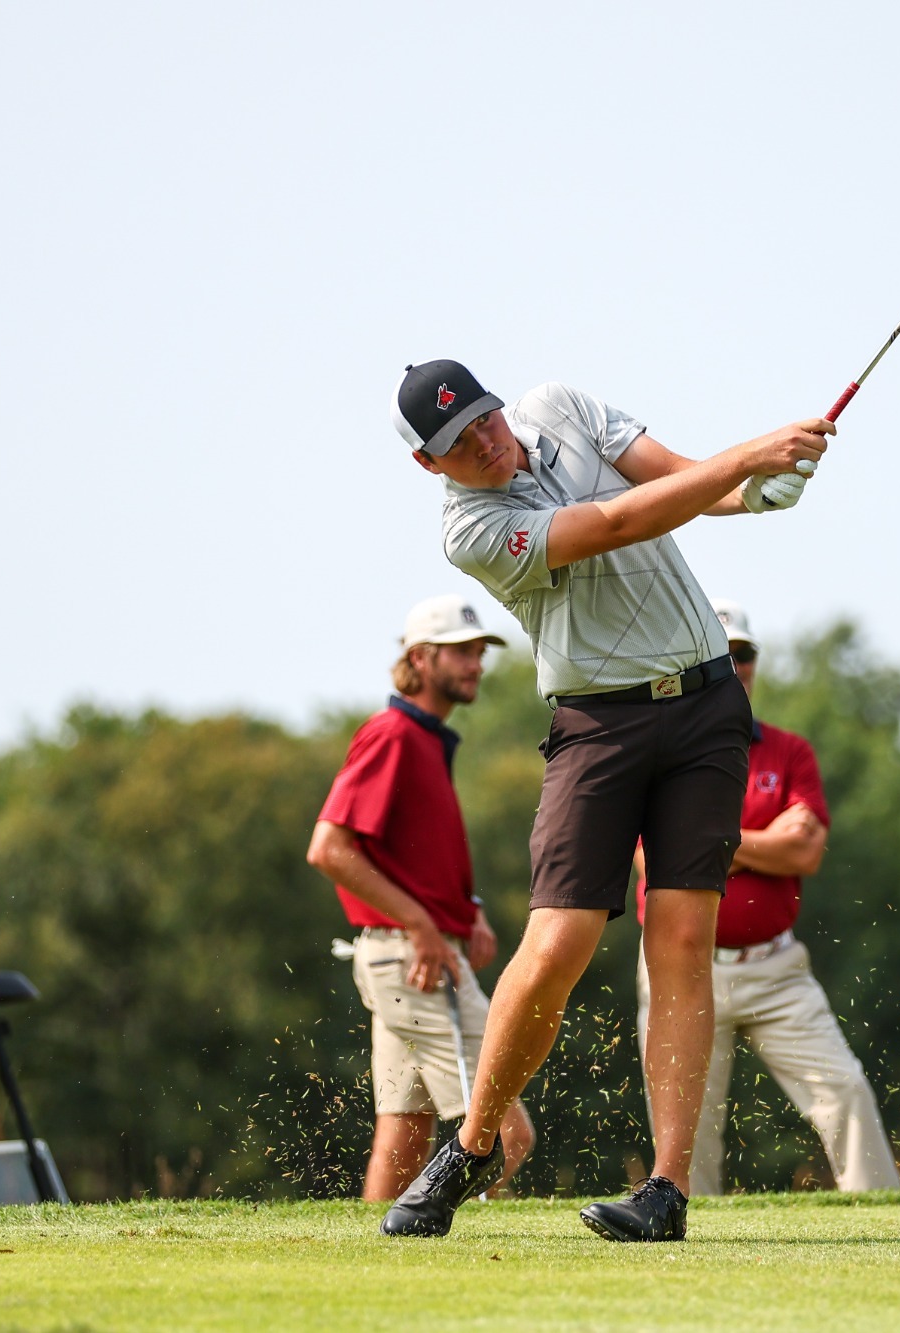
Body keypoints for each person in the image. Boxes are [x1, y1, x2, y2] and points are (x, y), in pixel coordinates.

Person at [378, 359, 830, 1242]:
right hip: (597, 724)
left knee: (684, 937)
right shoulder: (472, 529)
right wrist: (748, 457)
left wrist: (754, 492)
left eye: (483, 417)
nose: (483, 440)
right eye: (457, 442)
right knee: (558, 941)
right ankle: (471, 1145)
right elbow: (620, 521)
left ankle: (666, 1189)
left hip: (705, 708)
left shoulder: (560, 407)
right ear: (428, 464)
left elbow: (677, 480)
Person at [636, 600, 900, 1194]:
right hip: (682, 967)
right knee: (687, 1134)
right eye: (721, 654)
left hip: (776, 968)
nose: (736, 666)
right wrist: (763, 840)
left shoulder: (790, 751)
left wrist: (714, 842)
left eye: (745, 653)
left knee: (846, 1093)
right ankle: (678, 1227)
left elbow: (805, 852)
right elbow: (653, 859)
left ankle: (884, 1217)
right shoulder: (657, 747)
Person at [306, 594, 535, 1200]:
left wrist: (467, 910)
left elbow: (414, 854)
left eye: (479, 652)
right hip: (415, 959)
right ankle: (472, 1241)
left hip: (406, 955)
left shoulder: (425, 738)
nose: (476, 664)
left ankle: (375, 1251)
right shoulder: (393, 735)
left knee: (404, 1136)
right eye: (460, 652)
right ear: (419, 658)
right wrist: (422, 924)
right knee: (506, 1135)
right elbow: (329, 849)